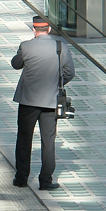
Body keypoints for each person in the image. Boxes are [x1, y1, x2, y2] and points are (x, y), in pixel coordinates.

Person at [11, 15, 74, 190]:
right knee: (48, 142)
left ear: (34, 29)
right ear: (49, 29)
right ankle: (45, 181)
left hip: (28, 101)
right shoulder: (61, 47)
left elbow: (15, 65)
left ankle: (21, 178)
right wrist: (57, 83)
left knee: (24, 139)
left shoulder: (26, 46)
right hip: (50, 102)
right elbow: (70, 73)